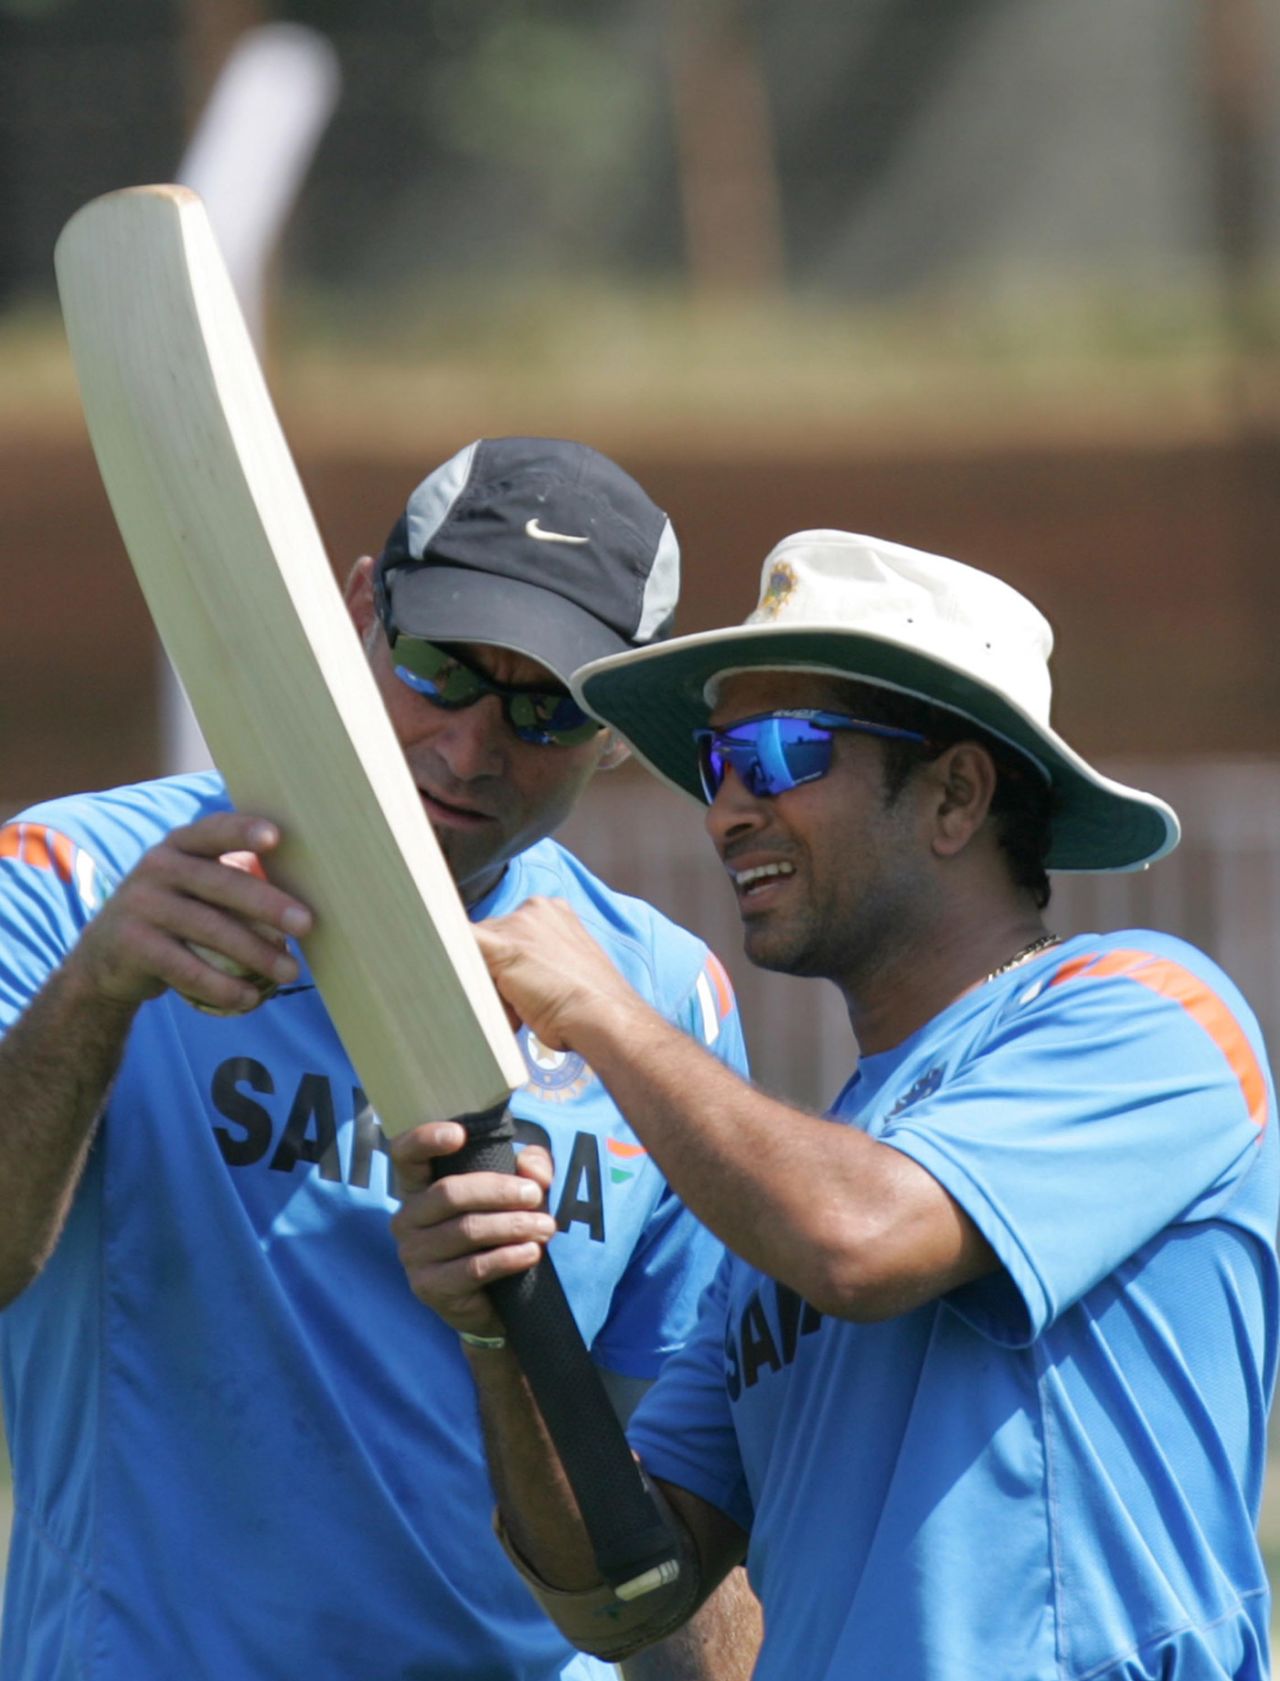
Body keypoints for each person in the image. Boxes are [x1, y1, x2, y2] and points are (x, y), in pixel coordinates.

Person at [393, 528, 1279, 1681]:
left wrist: (603, 1012)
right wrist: (496, 1312)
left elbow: (860, 1240)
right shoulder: (789, 1195)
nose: (723, 812)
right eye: (716, 762)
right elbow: (624, 1593)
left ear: (955, 794)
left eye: (779, 753)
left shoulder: (1145, 1013)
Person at [0, 436, 761, 1680]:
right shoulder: (78, 878)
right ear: (361, 612)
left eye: (544, 707)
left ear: (620, 727)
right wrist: (98, 990)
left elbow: (663, 1520)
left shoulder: (658, 995)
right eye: (436, 669)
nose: (469, 747)